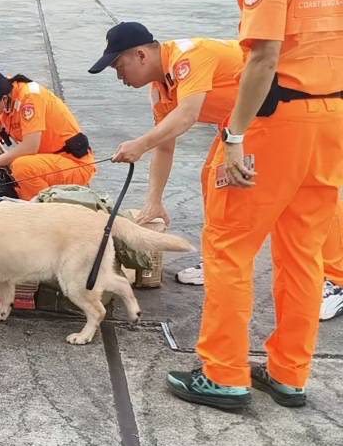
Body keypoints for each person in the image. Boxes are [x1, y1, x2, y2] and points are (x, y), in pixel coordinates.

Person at [165, 0, 343, 410]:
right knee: (305, 254)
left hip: (276, 122)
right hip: (332, 120)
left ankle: (224, 375)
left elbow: (263, 57)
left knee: (228, 247)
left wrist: (236, 134)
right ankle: (290, 373)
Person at [91, 22, 343, 306]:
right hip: (243, 124)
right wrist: (155, 200)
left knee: (310, 192)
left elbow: (187, 115)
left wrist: (139, 145)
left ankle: (337, 280)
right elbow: (165, 144)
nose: (119, 76)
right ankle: (217, 262)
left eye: (118, 66)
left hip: (287, 113)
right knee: (213, 177)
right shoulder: (160, 89)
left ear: (140, 55)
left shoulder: (189, 57)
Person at [0, 69, 97, 200]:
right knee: (7, 166)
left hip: (74, 165)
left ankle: (43, 211)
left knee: (21, 167)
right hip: (47, 162)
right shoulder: (4, 93)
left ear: (3, 99)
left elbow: (30, 147)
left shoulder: (29, 98)